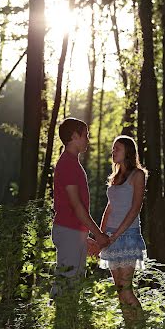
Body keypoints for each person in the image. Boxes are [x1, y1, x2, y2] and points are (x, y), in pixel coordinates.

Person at [51, 117, 109, 296]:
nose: (88, 140)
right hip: (68, 231)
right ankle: (62, 322)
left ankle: (67, 322)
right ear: (75, 136)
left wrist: (83, 237)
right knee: (67, 288)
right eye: (86, 135)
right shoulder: (68, 164)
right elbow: (76, 207)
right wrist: (98, 235)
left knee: (72, 284)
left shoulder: (72, 163)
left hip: (72, 232)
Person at [95, 135, 147, 316]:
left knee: (126, 289)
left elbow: (135, 208)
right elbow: (110, 207)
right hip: (110, 237)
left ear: (128, 152)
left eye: (117, 148)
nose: (113, 151)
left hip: (127, 236)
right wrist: (101, 236)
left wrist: (115, 235)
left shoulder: (138, 174)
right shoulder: (115, 177)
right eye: (113, 148)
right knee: (119, 290)